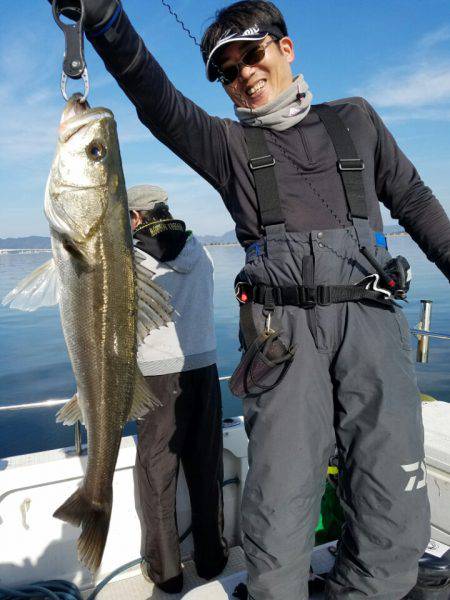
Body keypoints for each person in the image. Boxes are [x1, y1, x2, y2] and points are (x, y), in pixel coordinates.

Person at [50, 1, 450, 598]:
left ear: (285, 49)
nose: (243, 75)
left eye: (252, 55)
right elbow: (157, 100)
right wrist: (105, 19)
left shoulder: (357, 120)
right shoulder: (229, 147)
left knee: (395, 512)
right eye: (226, 71)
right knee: (278, 513)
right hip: (280, 343)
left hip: (372, 328)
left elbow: (414, 201)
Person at [127, 184, 228, 594]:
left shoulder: (131, 259)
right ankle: (212, 558)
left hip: (155, 376)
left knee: (157, 476)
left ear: (136, 218)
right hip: (203, 369)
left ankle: (166, 573)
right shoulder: (199, 249)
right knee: (206, 470)